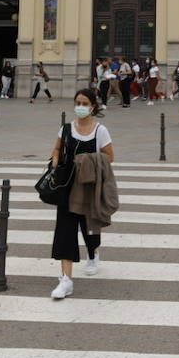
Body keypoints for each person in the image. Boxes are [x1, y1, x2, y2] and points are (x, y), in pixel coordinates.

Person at [48, 88, 116, 300]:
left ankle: (93, 253)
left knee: (90, 227)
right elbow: (57, 149)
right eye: (78, 102)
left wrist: (88, 162)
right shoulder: (66, 128)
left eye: (85, 103)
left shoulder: (100, 131)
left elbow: (110, 157)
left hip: (89, 186)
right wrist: (56, 164)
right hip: (67, 187)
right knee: (65, 231)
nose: (80, 106)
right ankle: (66, 280)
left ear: (93, 106)